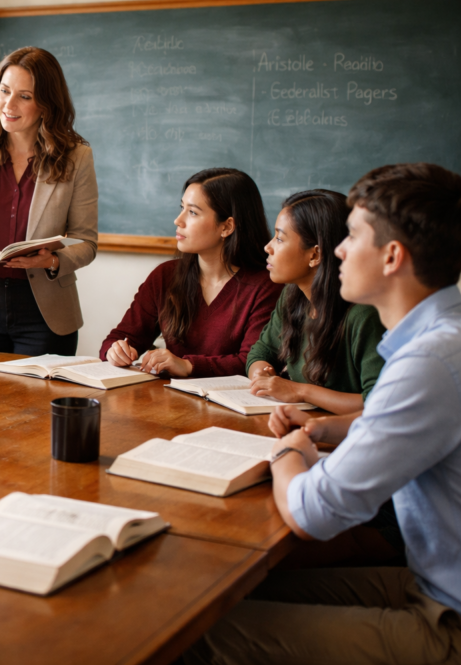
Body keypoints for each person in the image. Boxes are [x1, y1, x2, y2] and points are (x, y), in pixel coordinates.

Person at [184, 162, 461, 665]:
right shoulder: (441, 339)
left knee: (194, 632)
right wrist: (326, 426)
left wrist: (289, 451)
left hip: (447, 620)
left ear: (392, 256)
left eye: (352, 236)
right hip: (427, 581)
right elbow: (396, 424)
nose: (337, 250)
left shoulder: (428, 361)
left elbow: (312, 513)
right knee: (220, 596)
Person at [0, 46, 98, 355]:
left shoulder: (77, 158)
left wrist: (52, 261)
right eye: (4, 91)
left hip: (46, 311)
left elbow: (86, 242)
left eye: (24, 96)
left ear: (46, 105)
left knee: (38, 404)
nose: (8, 105)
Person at [100, 168, 281, 377]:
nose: (178, 220)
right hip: (169, 401)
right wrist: (116, 350)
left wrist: (187, 366)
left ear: (227, 226)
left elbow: (253, 362)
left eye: (193, 212)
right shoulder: (164, 276)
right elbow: (120, 337)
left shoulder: (266, 286)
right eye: (181, 208)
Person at [246, 189, 385, 413]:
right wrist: (261, 375)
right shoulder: (293, 295)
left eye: (280, 238)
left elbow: (380, 405)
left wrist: (300, 391)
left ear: (315, 255)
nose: (268, 247)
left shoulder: (364, 315)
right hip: (304, 426)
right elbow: (261, 352)